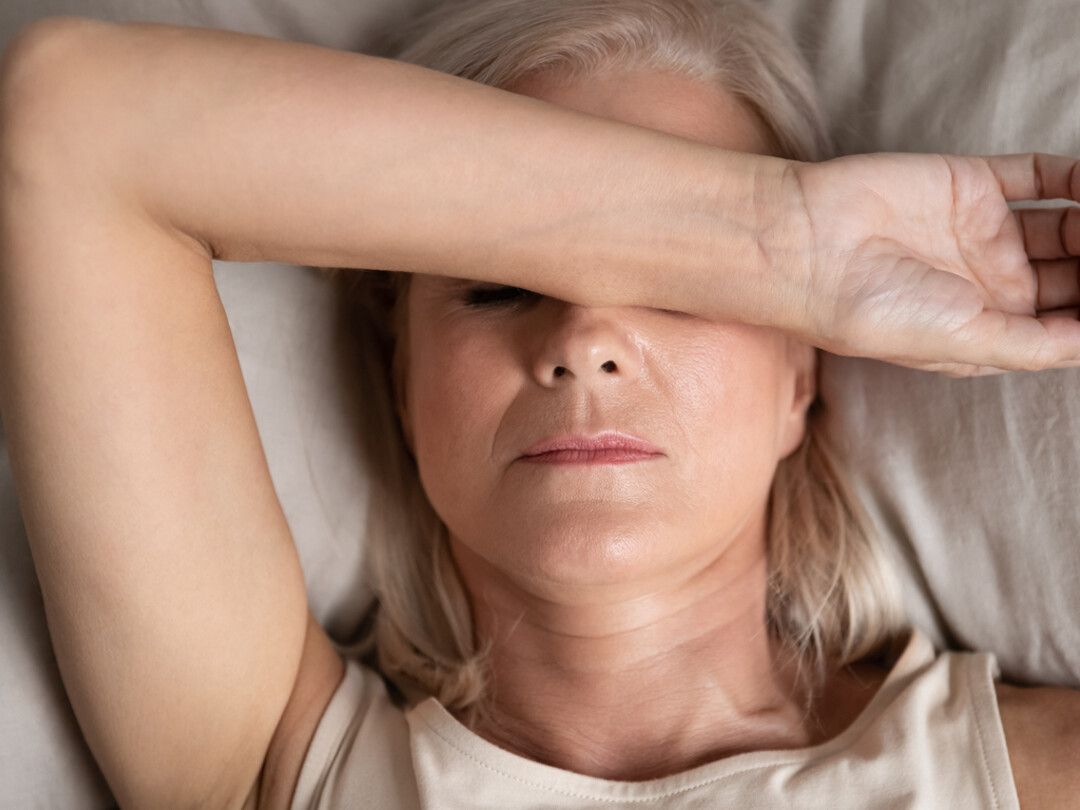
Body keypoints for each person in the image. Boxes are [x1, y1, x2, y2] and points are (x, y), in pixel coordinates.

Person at [0, 1, 1077, 808]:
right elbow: (75, 120)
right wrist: (769, 242)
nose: (583, 344)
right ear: (403, 379)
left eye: (684, 291)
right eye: (495, 284)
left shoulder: (1018, 777)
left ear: (805, 374)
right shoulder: (278, 766)